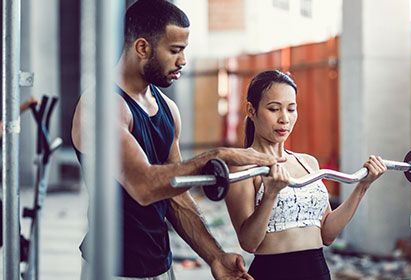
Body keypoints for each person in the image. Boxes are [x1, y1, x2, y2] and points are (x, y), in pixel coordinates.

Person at [71, 1, 277, 279]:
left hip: (161, 267)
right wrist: (217, 157)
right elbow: (144, 186)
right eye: (175, 50)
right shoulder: (103, 106)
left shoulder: (167, 108)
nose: (183, 61)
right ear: (142, 48)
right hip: (111, 269)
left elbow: (175, 196)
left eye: (184, 50)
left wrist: (215, 256)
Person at [224, 70, 387, 280]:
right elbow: (249, 243)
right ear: (251, 110)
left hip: (317, 271)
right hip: (273, 273)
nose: (284, 118)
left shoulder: (308, 163)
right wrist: (270, 195)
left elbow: (327, 234)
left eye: (291, 109)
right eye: (274, 109)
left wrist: (362, 186)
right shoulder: (241, 167)